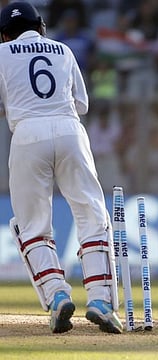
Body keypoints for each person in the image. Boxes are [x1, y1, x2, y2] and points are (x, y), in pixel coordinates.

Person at [0, 2, 122, 333]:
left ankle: (56, 296)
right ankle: (100, 300)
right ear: (40, 27)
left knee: (32, 225)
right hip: (70, 130)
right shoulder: (63, 50)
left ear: (4, 33)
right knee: (91, 214)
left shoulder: (2, 52)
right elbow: (81, 103)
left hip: (27, 135)